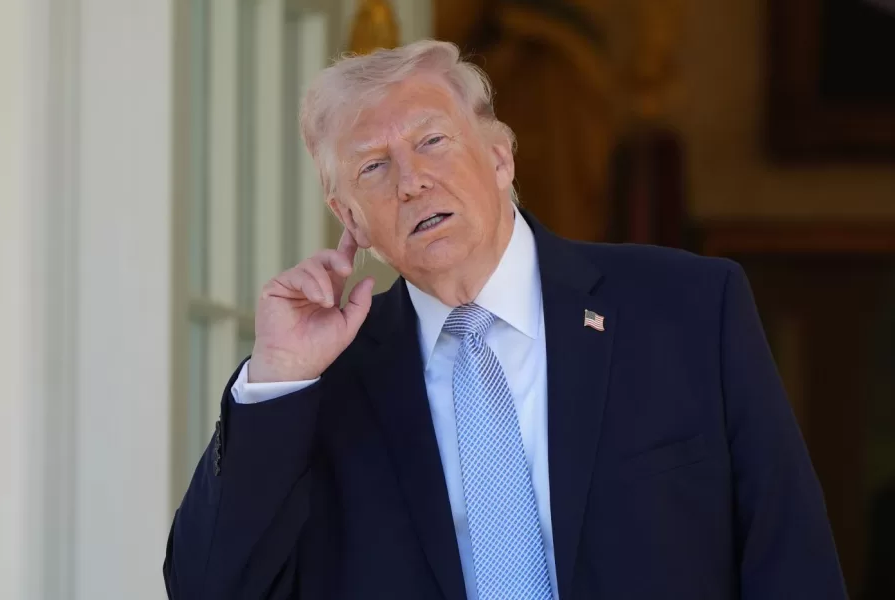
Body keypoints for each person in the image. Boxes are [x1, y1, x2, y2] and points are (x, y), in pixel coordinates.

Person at [163, 40, 846, 599]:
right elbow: (208, 588)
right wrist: (277, 375)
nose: (411, 181)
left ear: (498, 158)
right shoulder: (321, 384)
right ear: (351, 221)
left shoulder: (689, 306)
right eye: (373, 167)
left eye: (432, 141)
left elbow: (790, 557)